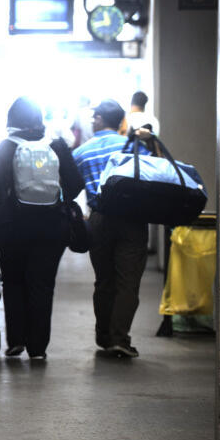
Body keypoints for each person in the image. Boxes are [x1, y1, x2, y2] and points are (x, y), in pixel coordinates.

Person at [0, 98, 83, 360]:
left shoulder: (6, 147)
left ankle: (16, 340)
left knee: (14, 281)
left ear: (11, 122)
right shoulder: (57, 145)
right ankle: (38, 348)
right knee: (42, 285)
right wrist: (56, 191)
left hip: (11, 227)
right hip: (52, 228)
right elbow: (76, 185)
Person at [72, 100, 152, 358]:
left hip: (100, 219)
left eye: (94, 117)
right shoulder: (135, 147)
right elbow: (153, 175)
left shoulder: (82, 152)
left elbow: (70, 186)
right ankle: (120, 338)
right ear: (120, 123)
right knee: (128, 283)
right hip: (133, 220)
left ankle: (104, 336)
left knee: (104, 281)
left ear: (97, 120)